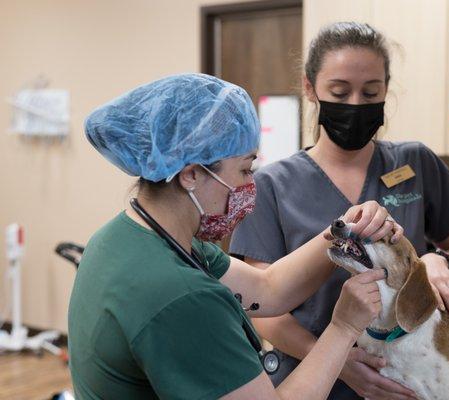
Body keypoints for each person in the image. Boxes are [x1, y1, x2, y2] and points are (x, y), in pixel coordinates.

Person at [68, 73, 404, 400]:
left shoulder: (129, 237)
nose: (249, 186)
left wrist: (342, 230)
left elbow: (268, 289)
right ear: (191, 175)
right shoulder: (181, 297)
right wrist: (343, 327)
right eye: (244, 170)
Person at [229, 22, 449, 400]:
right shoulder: (272, 185)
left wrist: (436, 261)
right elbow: (263, 309)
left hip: (404, 377)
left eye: (371, 92)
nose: (355, 105)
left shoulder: (416, 163)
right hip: (309, 379)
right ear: (310, 88)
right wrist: (338, 362)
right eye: (340, 91)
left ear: (385, 91)